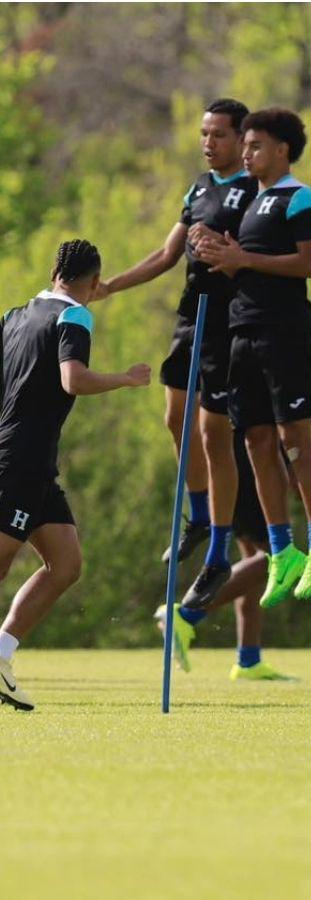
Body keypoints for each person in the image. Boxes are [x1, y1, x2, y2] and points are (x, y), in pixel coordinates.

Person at [100, 98, 259, 609]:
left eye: (219, 135)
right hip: (191, 319)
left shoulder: (254, 191)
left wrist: (229, 253)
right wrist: (112, 285)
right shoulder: (198, 188)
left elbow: (258, 262)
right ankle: (200, 518)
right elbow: (168, 255)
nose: (208, 143)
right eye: (204, 134)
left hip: (228, 326)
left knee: (216, 439)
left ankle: (217, 553)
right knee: (175, 419)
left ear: (240, 139)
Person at [193, 107, 311, 608]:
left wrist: (243, 259)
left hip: (285, 333)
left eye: (255, 145)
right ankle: (283, 552)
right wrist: (218, 251)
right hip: (243, 331)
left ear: (281, 149)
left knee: (293, 438)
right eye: (247, 145)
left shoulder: (300, 197)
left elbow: (309, 263)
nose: (248, 153)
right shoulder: (251, 203)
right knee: (254, 441)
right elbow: (245, 267)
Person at [0, 240, 151, 711]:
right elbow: (74, 379)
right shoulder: (75, 317)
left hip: (34, 462)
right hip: (19, 459)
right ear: (93, 281)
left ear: (54, 272)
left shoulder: (14, 315)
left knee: (65, 564)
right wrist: (126, 378)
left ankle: (1, 654)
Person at [158, 432, 296, 681]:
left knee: (252, 559)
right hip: (251, 459)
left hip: (236, 457)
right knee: (277, 557)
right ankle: (186, 615)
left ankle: (249, 659)